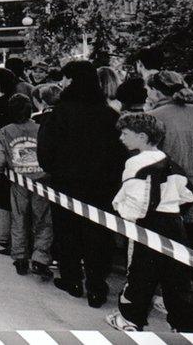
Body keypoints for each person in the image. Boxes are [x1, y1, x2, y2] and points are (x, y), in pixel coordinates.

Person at [38, 60, 127, 308]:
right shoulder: (109, 114)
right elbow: (120, 152)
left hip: (66, 185)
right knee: (99, 235)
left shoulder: (59, 114)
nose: (63, 83)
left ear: (73, 81)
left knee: (67, 233)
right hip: (102, 186)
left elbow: (45, 154)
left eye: (66, 78)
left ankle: (72, 280)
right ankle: (97, 286)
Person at [105, 113, 193, 332]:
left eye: (125, 133)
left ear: (142, 136)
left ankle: (130, 319)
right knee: (177, 277)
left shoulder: (134, 163)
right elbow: (190, 196)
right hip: (174, 224)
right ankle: (187, 326)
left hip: (147, 224)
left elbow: (137, 202)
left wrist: (124, 213)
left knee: (139, 273)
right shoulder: (172, 163)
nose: (121, 138)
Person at [146, 71, 193, 320]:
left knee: (173, 248)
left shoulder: (155, 117)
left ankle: (178, 303)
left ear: (156, 92)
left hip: (174, 189)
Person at [0, 94, 52, 279]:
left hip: (19, 183)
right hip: (42, 182)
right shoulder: (41, 128)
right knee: (43, 220)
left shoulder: (5, 131)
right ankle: (40, 257)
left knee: (19, 218)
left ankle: (20, 256)